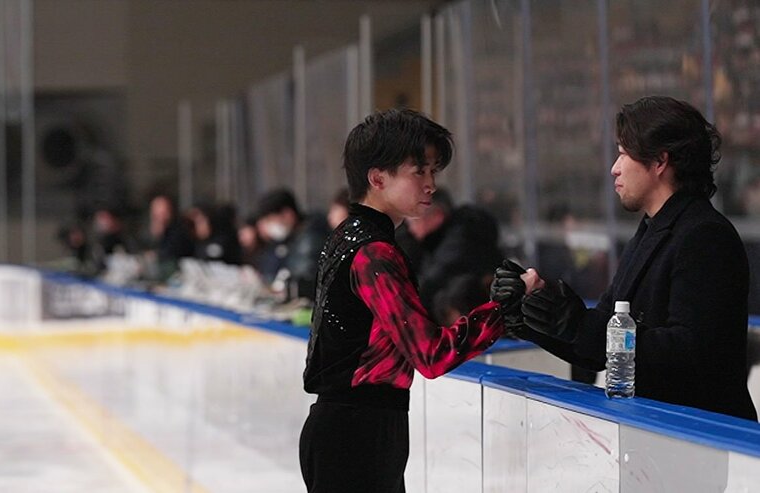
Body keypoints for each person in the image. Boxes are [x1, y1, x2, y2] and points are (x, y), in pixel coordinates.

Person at [299, 108, 537, 493]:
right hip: (357, 437)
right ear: (377, 178)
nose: (431, 184)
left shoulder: (351, 236)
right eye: (419, 171)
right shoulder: (374, 252)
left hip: (353, 431)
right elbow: (431, 353)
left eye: (433, 172)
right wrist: (505, 309)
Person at [493, 96, 757, 421]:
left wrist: (579, 323)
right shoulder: (652, 229)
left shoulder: (704, 236)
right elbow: (597, 345)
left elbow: (691, 351)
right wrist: (530, 315)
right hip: (656, 431)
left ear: (660, 161)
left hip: (702, 436)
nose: (614, 168)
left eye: (622, 154)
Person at [255, 188, 330, 300]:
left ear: (287, 214)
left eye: (271, 220)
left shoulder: (311, 239)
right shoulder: (292, 238)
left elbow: (304, 279)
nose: (270, 227)